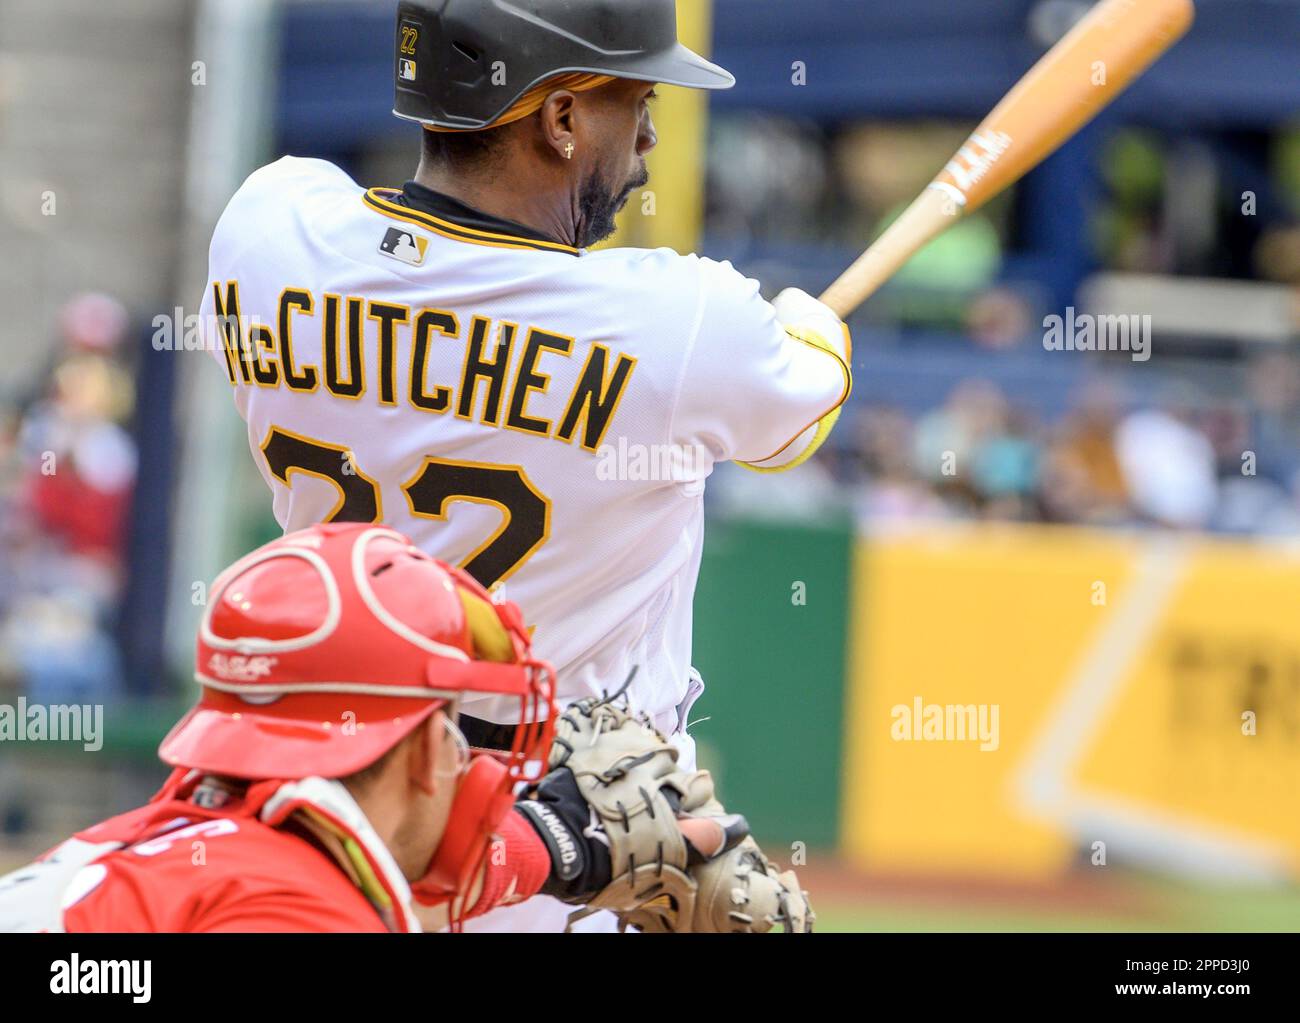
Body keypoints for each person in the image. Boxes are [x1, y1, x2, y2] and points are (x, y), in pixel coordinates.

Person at [198, 0, 850, 930]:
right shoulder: (686, 323)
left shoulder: (266, 229)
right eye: (637, 100)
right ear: (562, 117)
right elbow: (804, 408)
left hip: (324, 842)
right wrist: (805, 321)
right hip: (560, 856)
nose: (652, 135)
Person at [0, 523, 733, 932]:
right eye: (449, 723)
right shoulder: (297, 913)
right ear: (417, 748)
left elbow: (407, 871)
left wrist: (559, 845)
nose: (460, 750)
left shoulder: (161, 843)